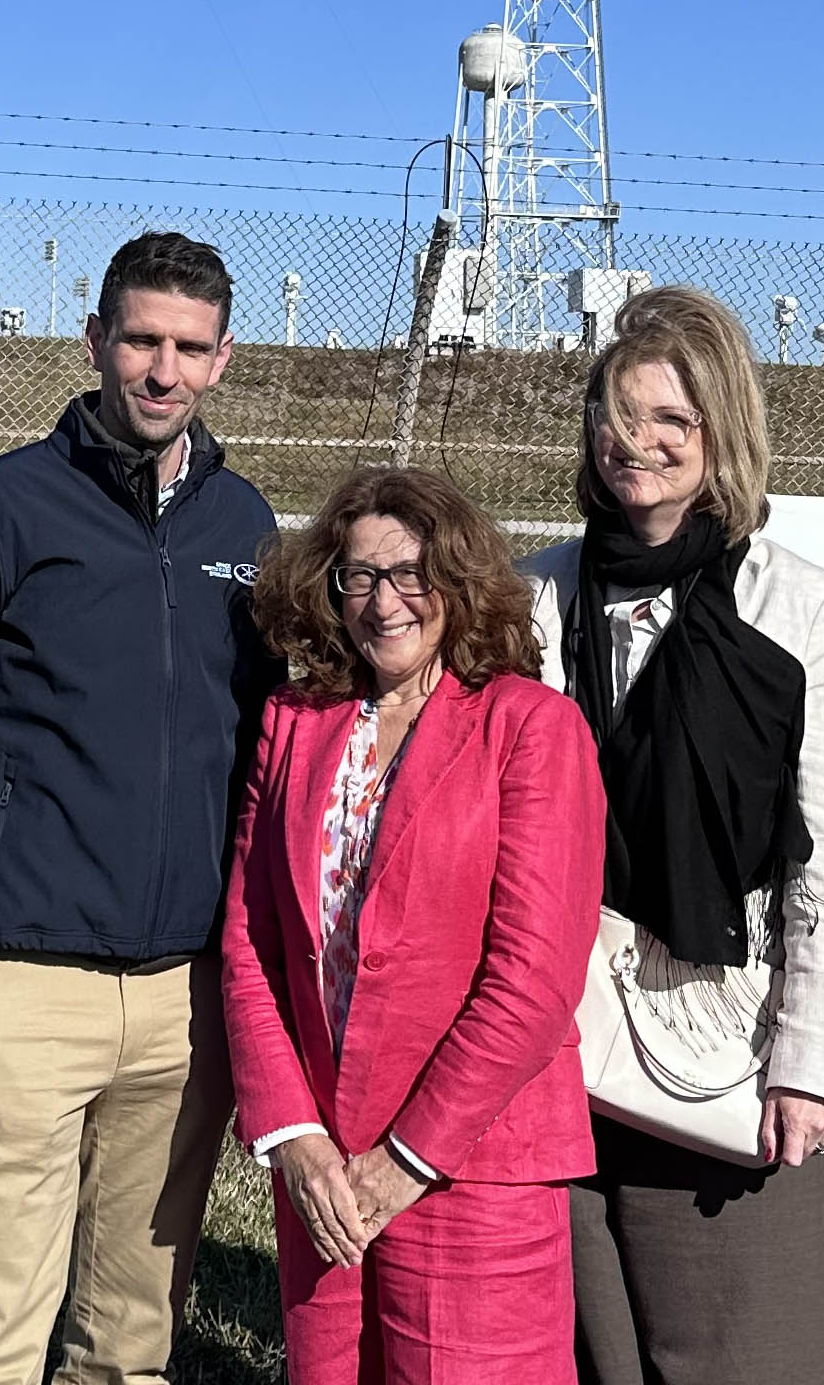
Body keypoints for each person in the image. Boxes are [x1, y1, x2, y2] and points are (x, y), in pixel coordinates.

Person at [0, 230, 280, 1385]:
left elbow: (263, 753)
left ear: (222, 359)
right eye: (141, 339)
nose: (163, 369)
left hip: (181, 998)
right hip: (17, 982)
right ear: (95, 340)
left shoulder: (244, 528)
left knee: (132, 1334)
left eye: (189, 347)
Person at [524, 284, 824, 1385]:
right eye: (620, 419)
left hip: (719, 1043)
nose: (641, 446)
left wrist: (815, 1065)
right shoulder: (533, 595)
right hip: (554, 1042)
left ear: (722, 432)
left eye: (671, 422)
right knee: (592, 1355)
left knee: (739, 1355)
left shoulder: (806, 610)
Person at [224, 466, 605, 1384]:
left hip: (473, 1162)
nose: (384, 601)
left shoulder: (530, 728)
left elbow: (534, 981)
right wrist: (296, 1137)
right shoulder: (296, 721)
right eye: (359, 576)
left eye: (410, 574)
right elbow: (250, 942)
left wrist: (405, 1161)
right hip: (324, 1170)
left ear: (460, 583)